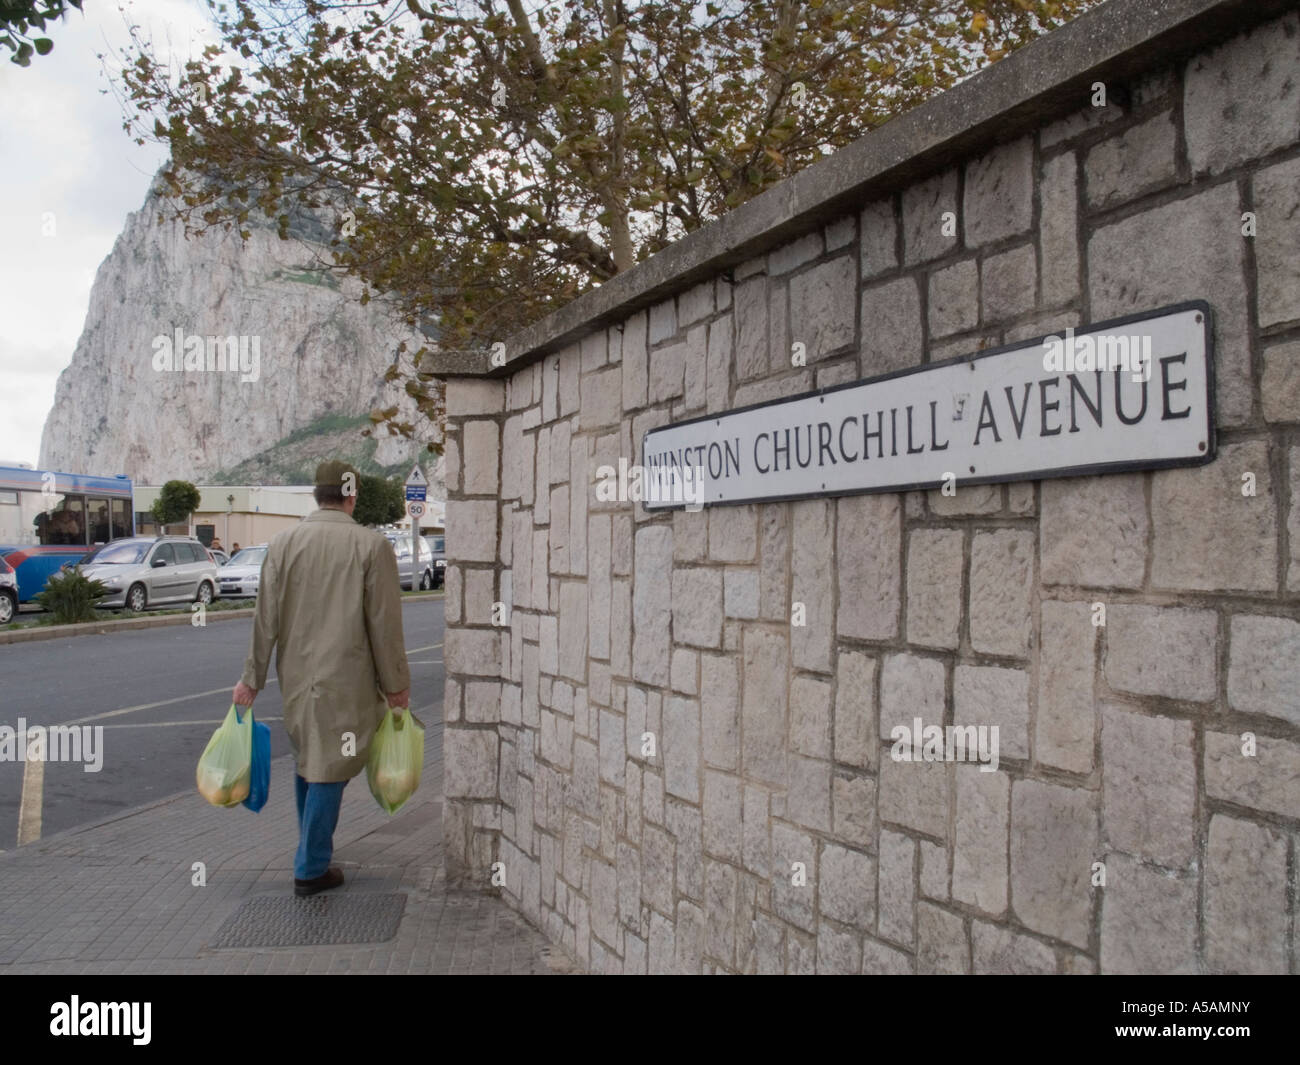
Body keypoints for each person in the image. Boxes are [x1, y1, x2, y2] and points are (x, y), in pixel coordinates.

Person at [232, 460, 411, 897]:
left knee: (309, 759)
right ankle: (311, 867)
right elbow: (384, 625)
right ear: (351, 495)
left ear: (317, 494)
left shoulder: (283, 544)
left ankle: (312, 853)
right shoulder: (372, 547)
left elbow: (265, 620)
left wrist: (251, 679)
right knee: (330, 768)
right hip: (346, 680)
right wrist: (396, 686)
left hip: (296, 678)